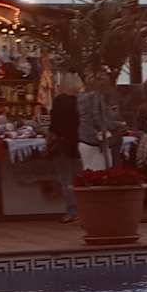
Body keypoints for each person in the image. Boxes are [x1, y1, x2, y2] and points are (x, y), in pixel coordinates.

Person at [46, 72, 83, 223]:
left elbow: (53, 125)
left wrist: (49, 141)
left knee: (66, 180)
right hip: (78, 144)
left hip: (62, 144)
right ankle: (84, 210)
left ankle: (72, 211)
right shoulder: (80, 101)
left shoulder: (59, 101)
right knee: (79, 178)